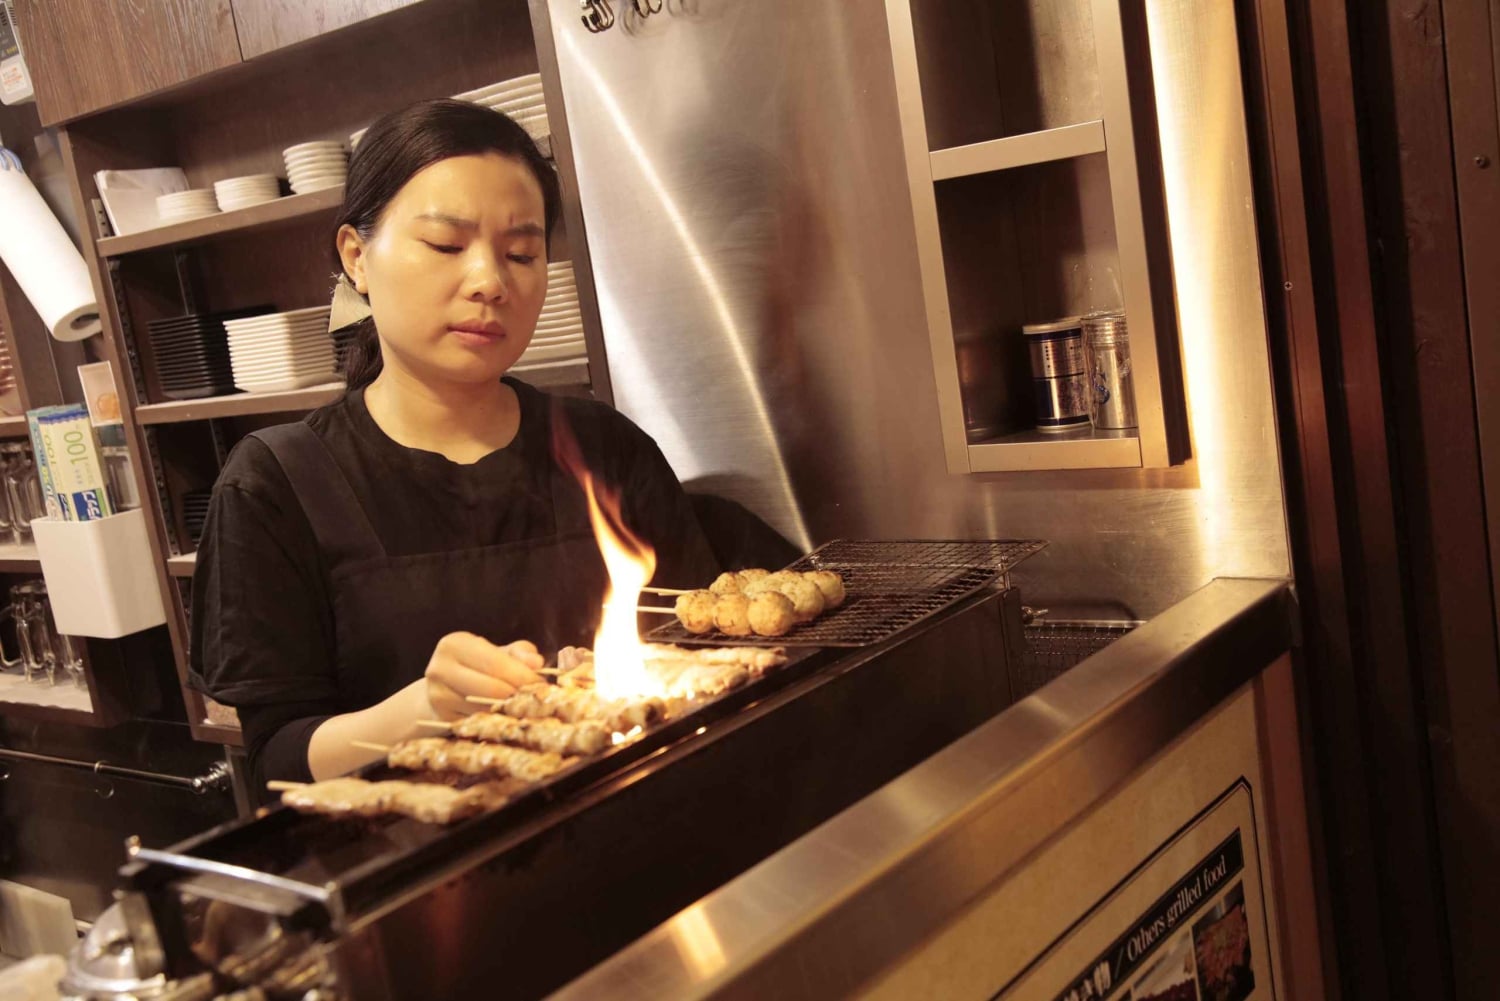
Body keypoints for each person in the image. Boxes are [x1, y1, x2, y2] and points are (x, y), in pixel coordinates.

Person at [189, 100, 720, 793]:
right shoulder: (274, 486)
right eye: (445, 245)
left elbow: (701, 650)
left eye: (522, 253)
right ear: (357, 258)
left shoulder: (605, 448)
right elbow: (276, 760)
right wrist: (423, 709)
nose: (490, 281)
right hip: (414, 874)